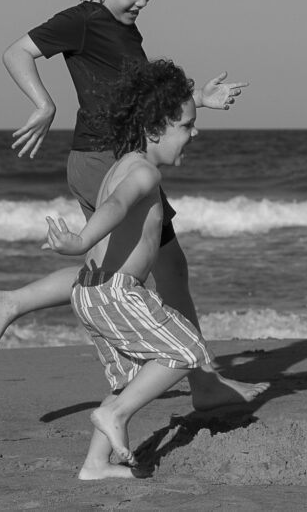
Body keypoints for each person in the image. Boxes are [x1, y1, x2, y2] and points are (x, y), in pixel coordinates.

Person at [0, 0, 266, 410]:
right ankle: (203, 383)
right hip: (104, 161)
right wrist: (44, 104)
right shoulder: (82, 20)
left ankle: (12, 302)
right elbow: (15, 52)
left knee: (121, 273)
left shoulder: (124, 30)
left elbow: (139, 102)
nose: (142, 1)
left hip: (118, 157)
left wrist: (197, 99)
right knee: (150, 270)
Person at [44, 58, 214, 479]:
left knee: (131, 375)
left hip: (91, 289)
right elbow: (116, 207)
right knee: (186, 349)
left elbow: (115, 203)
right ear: (156, 128)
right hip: (116, 290)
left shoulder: (124, 162)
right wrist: (80, 241)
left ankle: (95, 465)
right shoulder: (143, 172)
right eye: (187, 125)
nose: (195, 132)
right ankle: (114, 415)